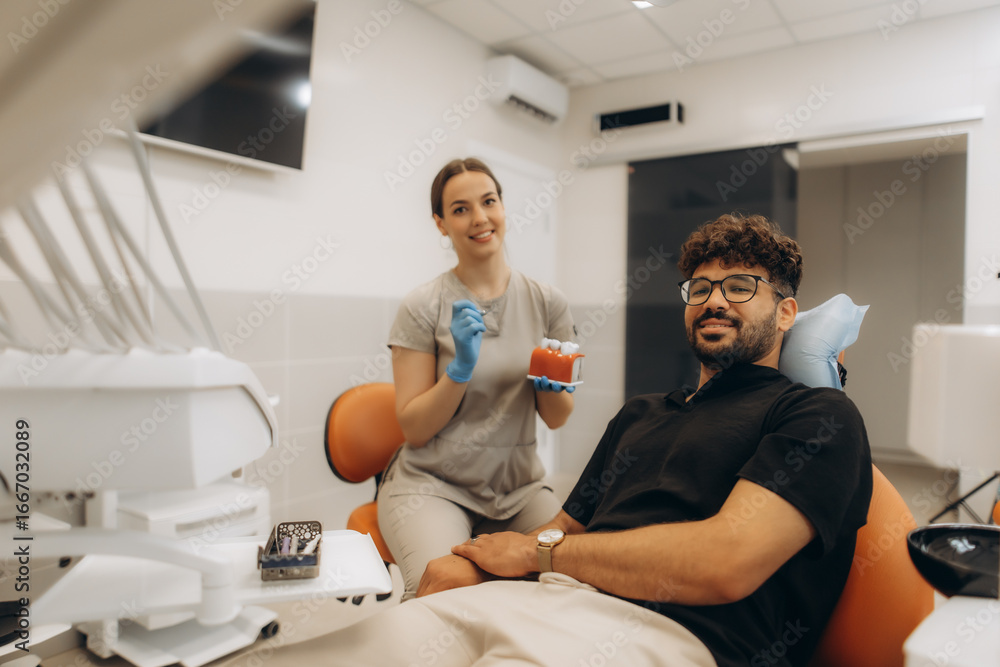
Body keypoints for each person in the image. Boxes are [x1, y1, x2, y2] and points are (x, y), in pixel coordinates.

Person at [260, 213, 872, 667]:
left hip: (663, 636)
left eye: (740, 287)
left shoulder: (818, 415)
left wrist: (536, 556)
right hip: (540, 597)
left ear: (786, 313)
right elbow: (567, 528)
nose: (714, 300)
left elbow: (726, 562)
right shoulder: (643, 413)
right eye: (700, 288)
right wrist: (479, 561)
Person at [378, 157, 579, 601]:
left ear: (503, 208)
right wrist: (459, 370)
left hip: (519, 489)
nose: (480, 218)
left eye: (489, 202)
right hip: (433, 486)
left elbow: (558, 418)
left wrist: (549, 383)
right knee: (444, 589)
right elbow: (414, 427)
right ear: (441, 223)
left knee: (570, 576)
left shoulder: (548, 303)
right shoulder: (423, 306)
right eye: (460, 208)